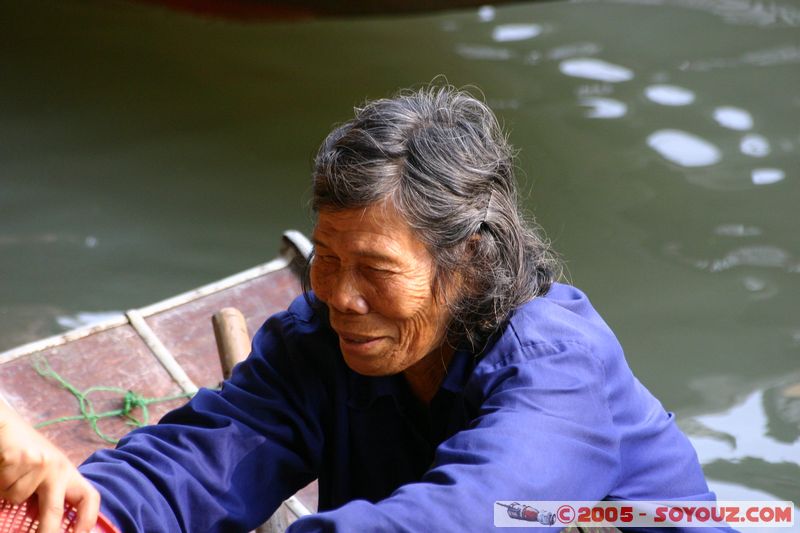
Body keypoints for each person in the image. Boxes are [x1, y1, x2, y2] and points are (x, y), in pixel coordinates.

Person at [1, 85, 721, 532]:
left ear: (468, 259)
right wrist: (85, 510)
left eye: (375, 270)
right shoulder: (320, 341)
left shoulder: (561, 368)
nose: (341, 296)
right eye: (327, 258)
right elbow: (204, 459)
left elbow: (472, 515)